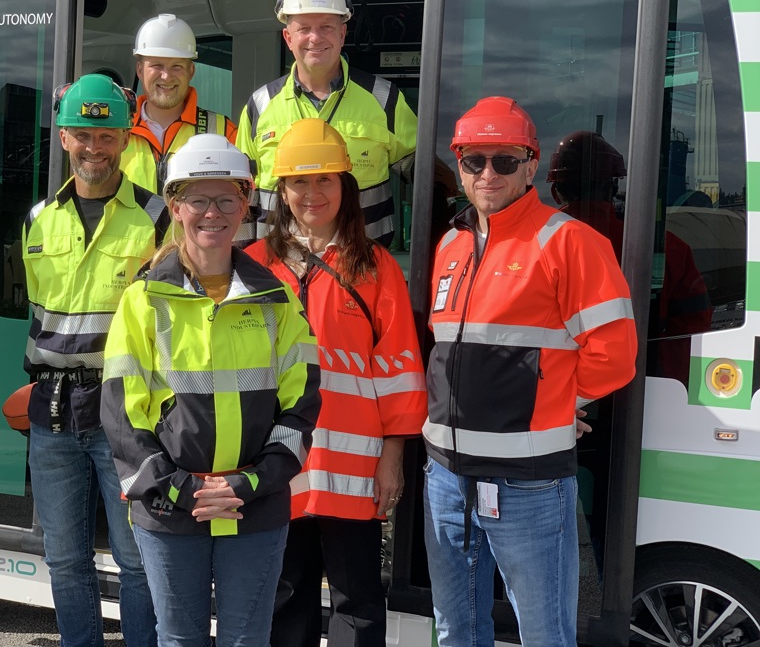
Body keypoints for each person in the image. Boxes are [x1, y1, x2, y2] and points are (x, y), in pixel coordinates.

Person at [422, 97, 637, 646]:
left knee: (544, 633)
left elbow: (615, 355)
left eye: (505, 160)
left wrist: (556, 403)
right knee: (455, 630)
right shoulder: (450, 245)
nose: (488, 173)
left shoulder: (569, 242)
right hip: (446, 476)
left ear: (531, 166)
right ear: (460, 165)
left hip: (527, 482)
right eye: (474, 161)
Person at [100, 133, 321, 647]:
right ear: (175, 206)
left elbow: (301, 407)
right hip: (169, 509)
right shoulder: (142, 300)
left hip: (255, 506)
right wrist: (183, 488)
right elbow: (121, 417)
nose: (212, 213)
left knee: (248, 640)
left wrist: (247, 484)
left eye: (226, 198)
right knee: (180, 640)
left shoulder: (277, 299)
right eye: (198, 199)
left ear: (245, 203)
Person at [245, 118, 427, 647]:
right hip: (276, 464)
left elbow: (398, 369)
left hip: (353, 469)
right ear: (281, 190)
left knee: (359, 603)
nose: (312, 193)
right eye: (299, 181)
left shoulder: (376, 268)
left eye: (326, 179)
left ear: (346, 186)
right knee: (285, 597)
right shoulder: (254, 266)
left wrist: (394, 454)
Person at [23, 74, 166, 647]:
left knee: (137, 561)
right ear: (63, 138)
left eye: (106, 136)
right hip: (51, 413)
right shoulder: (38, 219)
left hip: (122, 411)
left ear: (125, 140)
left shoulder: (156, 216)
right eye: (83, 135)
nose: (94, 149)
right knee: (64, 561)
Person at [236, 0, 417, 246]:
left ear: (342, 33)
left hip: (361, 267)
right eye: (304, 28)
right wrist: (244, 270)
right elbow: (241, 196)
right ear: (288, 37)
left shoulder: (384, 100)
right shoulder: (260, 106)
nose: (315, 38)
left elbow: (428, 181)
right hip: (278, 272)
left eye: (326, 27)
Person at [547, 130, 711, 379]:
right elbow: (691, 330)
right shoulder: (668, 246)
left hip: (550, 388)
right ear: (613, 186)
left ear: (556, 191)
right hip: (639, 388)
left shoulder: (526, 247)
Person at [123, 13, 239, 194]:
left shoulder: (224, 132)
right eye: (156, 65)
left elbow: (238, 200)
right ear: (139, 70)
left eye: (176, 66)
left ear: (191, 71)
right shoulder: (116, 129)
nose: (166, 76)